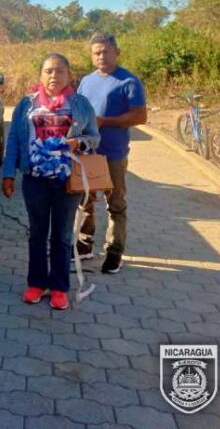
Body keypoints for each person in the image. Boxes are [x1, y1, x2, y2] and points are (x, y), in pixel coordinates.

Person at [2, 53, 100, 310]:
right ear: (41, 75)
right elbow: (13, 139)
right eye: (48, 71)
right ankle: (36, 283)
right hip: (34, 180)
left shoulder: (80, 104)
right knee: (37, 233)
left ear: (69, 75)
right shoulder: (27, 104)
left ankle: (58, 287)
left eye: (59, 71)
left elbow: (94, 138)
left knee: (62, 235)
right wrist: (9, 174)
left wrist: (79, 142)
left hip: (67, 182)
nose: (53, 76)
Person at [76, 33, 147, 274]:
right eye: (96, 52)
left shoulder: (128, 81)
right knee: (84, 200)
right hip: (87, 152)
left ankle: (114, 253)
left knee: (115, 204)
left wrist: (105, 121)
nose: (101, 56)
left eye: (106, 51)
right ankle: (85, 245)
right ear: (91, 55)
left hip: (113, 154)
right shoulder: (86, 81)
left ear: (117, 52)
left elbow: (140, 116)